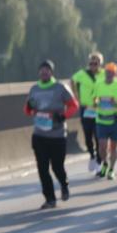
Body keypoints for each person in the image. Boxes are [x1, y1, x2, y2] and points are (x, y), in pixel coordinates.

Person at [24, 60, 78, 209]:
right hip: (39, 134)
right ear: (38, 73)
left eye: (47, 70)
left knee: (57, 167)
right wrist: (28, 107)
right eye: (42, 70)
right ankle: (50, 199)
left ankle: (64, 183)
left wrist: (63, 116)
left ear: (52, 72)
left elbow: (74, 105)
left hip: (57, 135)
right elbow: (28, 111)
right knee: (42, 168)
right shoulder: (34, 89)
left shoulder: (60, 88)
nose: (44, 72)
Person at [70, 53, 104, 173]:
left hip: (99, 109)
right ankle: (92, 155)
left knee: (99, 135)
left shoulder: (104, 74)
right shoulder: (82, 74)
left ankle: (100, 160)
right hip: (86, 109)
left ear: (100, 64)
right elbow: (72, 80)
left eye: (96, 63)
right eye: (91, 63)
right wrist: (76, 97)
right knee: (88, 136)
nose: (93, 66)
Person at [93, 62, 117, 180]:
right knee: (102, 146)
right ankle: (105, 164)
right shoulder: (98, 84)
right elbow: (94, 98)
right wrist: (96, 102)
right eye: (107, 72)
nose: (109, 75)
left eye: (111, 73)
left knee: (113, 147)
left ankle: (111, 169)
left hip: (116, 119)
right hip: (101, 119)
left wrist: (116, 103)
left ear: (115, 74)